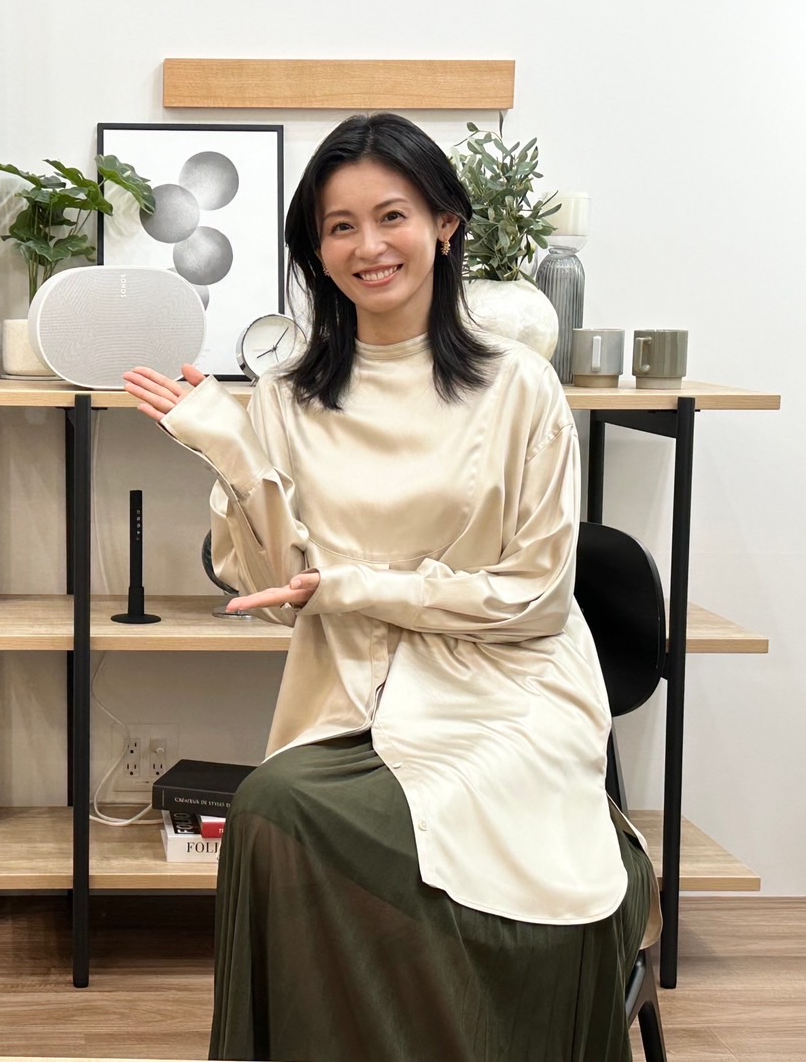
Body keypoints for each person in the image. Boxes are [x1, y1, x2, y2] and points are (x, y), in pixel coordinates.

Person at [124, 114, 657, 1061]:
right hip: (353, 696)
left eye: (391, 216)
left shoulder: (519, 386)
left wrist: (357, 586)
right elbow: (273, 585)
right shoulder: (285, 395)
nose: (367, 246)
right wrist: (231, 446)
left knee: (513, 868)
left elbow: (533, 595)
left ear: (444, 224)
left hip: (511, 694)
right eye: (339, 226)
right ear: (316, 250)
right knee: (274, 809)